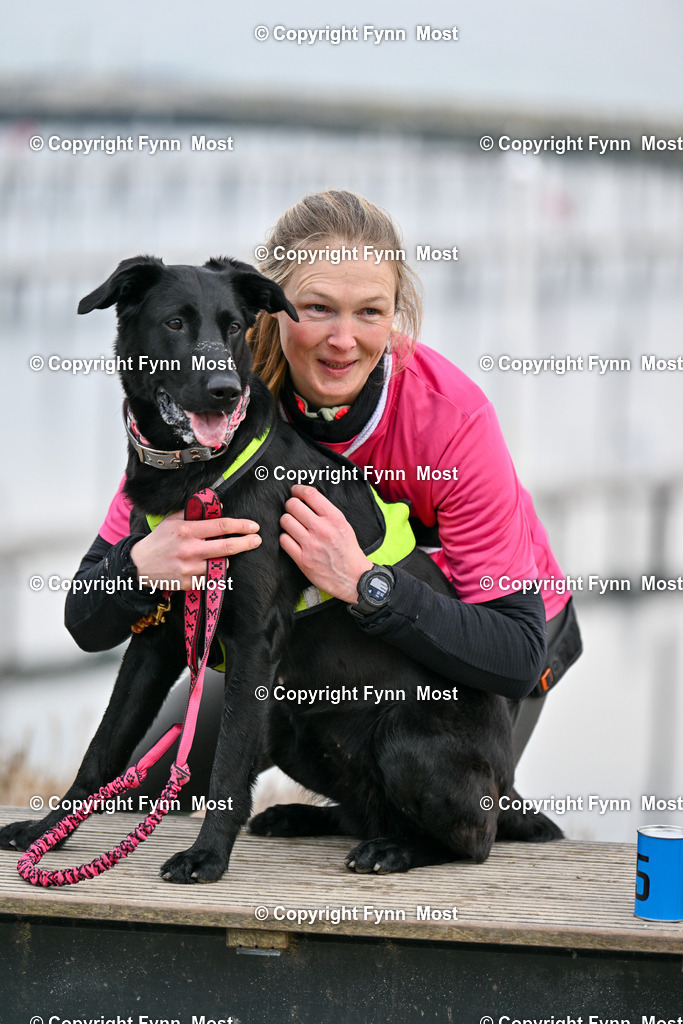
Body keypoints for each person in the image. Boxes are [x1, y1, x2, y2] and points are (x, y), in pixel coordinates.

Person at [66, 190, 581, 783]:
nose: (343, 340)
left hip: (482, 655)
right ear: (274, 308)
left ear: (396, 314)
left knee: (434, 812)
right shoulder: (219, 396)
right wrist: (137, 567)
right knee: (140, 782)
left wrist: (366, 585)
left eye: (369, 312)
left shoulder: (449, 420)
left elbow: (515, 655)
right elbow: (86, 620)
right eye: (317, 308)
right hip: (300, 647)